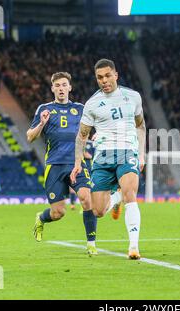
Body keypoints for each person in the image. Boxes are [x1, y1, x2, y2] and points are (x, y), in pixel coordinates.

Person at [28, 72, 122, 256]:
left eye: (64, 85)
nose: (61, 88)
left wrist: (98, 134)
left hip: (77, 164)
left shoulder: (81, 108)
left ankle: (91, 244)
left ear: (70, 88)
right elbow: (30, 137)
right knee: (58, 213)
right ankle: (41, 218)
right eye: (58, 85)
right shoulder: (44, 109)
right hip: (55, 166)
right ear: (52, 88)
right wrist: (41, 123)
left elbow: (97, 127)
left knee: (87, 200)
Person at [70, 59, 145, 260]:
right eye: (99, 77)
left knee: (131, 194)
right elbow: (82, 135)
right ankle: (117, 197)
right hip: (102, 157)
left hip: (127, 152)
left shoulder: (133, 97)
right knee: (98, 210)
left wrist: (142, 153)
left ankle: (133, 247)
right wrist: (78, 163)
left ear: (116, 75)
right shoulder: (92, 104)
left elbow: (140, 126)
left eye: (107, 76)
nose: (104, 80)